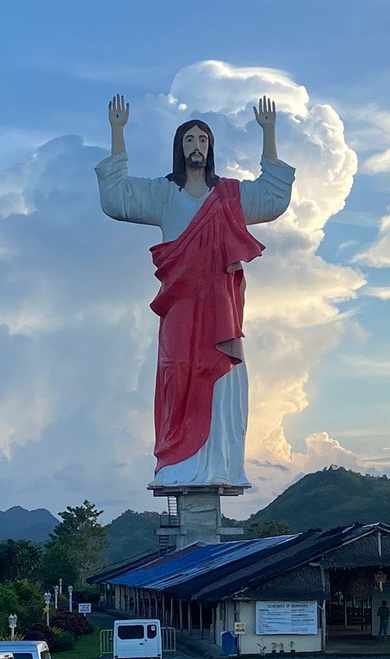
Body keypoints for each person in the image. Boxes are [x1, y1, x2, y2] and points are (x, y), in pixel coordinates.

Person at [96, 94, 294, 488]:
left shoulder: (231, 198)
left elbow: (273, 198)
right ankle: (177, 463)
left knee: (218, 379)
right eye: (189, 140)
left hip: (220, 311)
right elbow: (118, 199)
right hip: (180, 308)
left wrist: (268, 134)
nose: (196, 146)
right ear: (178, 148)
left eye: (203, 140)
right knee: (177, 374)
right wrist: (118, 132)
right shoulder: (164, 194)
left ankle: (217, 463)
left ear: (211, 149)